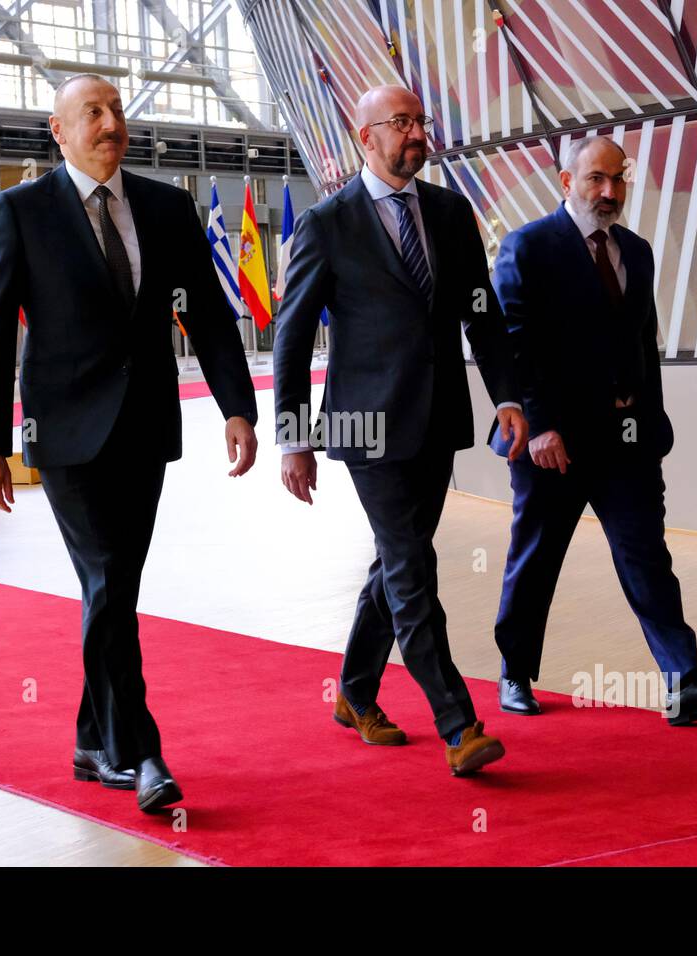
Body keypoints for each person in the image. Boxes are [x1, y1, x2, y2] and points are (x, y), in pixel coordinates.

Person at [0, 73, 259, 812]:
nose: (110, 124)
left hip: (146, 426)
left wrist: (237, 408)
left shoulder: (166, 206)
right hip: (63, 432)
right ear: (58, 130)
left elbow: (210, 317)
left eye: (116, 111)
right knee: (107, 582)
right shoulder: (19, 212)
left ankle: (91, 739)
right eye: (92, 113)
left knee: (115, 588)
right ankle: (141, 751)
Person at [274, 85, 529, 776]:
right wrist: (293, 437)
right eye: (402, 123)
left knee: (396, 561)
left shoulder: (450, 213)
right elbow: (292, 338)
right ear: (366, 137)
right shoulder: (327, 224)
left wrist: (507, 395)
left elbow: (481, 314)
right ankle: (458, 723)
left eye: (420, 121)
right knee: (414, 571)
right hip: (365, 426)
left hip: (437, 421)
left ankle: (355, 693)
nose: (416, 133)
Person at [489, 135, 697, 725]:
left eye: (618, 180)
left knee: (647, 557)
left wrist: (652, 422)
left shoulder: (635, 250)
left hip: (624, 441)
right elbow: (515, 346)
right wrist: (540, 425)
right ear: (566, 182)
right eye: (595, 180)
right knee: (536, 557)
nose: (609, 192)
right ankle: (514, 672)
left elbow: (643, 342)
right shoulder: (527, 247)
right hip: (549, 443)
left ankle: (683, 682)